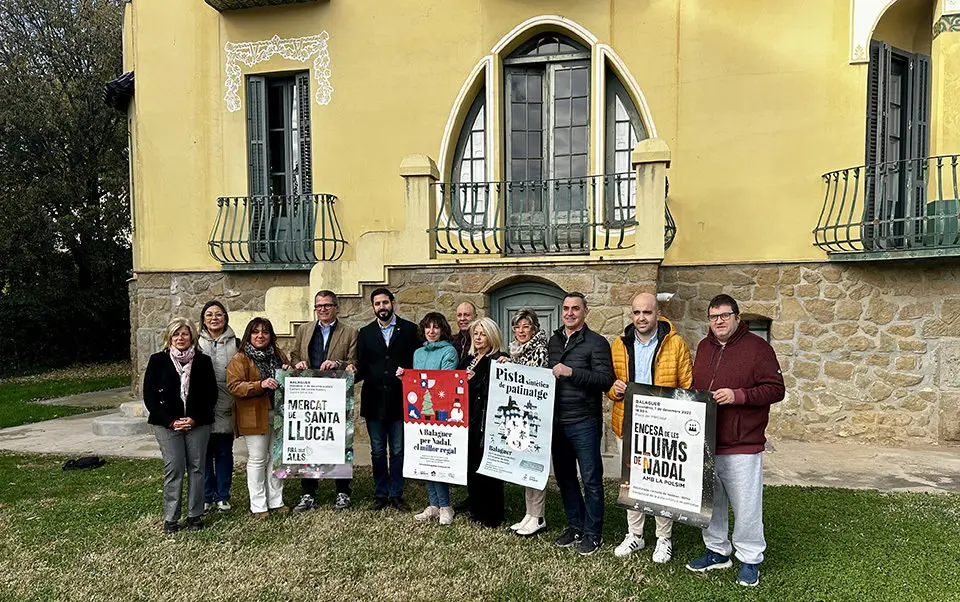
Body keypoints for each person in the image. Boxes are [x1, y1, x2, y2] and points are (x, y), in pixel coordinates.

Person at [685, 294, 785, 587]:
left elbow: (775, 389)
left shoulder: (758, 348)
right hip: (707, 439)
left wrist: (738, 395)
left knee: (746, 506)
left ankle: (750, 558)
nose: (719, 321)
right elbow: (697, 386)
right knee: (711, 502)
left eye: (725, 315)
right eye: (714, 316)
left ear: (737, 317)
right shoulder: (704, 347)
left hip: (743, 442)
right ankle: (717, 550)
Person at [608, 292, 693, 563]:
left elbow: (687, 387)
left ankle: (663, 538)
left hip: (664, 425)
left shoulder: (676, 344)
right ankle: (635, 534)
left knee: (661, 482)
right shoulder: (619, 344)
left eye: (646, 312)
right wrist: (614, 389)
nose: (641, 318)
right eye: (636, 313)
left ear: (657, 314)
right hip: (628, 421)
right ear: (631, 315)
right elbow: (608, 382)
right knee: (632, 482)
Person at [548, 291, 615, 556]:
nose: (570, 313)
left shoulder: (596, 343)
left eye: (575, 308)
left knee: (591, 479)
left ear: (585, 311)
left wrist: (571, 372)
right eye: (566, 308)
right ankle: (575, 526)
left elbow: (605, 380)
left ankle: (593, 533)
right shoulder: (554, 341)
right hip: (557, 421)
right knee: (565, 478)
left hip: (584, 422)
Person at [143, 317, 217, 534]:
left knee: (197, 468)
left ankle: (195, 515)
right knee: (174, 468)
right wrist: (171, 421)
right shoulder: (157, 360)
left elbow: (211, 394)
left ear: (192, 336)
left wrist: (194, 418)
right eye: (176, 334)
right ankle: (171, 518)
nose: (180, 338)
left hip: (198, 423)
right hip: (167, 425)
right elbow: (150, 397)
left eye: (185, 333)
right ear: (169, 337)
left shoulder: (203, 361)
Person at [289, 290, 359, 513]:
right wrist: (298, 364)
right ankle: (308, 493)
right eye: (319, 306)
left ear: (336, 307)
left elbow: (353, 362)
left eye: (327, 305)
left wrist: (337, 363)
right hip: (310, 393)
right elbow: (294, 355)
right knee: (309, 440)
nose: (323, 309)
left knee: (338, 442)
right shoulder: (304, 330)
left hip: (336, 394)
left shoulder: (349, 332)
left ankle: (342, 492)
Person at [355, 287, 420, 511]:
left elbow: (417, 363)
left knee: (399, 450)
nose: (382, 307)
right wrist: (339, 380)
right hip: (373, 401)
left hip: (400, 401)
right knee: (377, 450)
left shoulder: (410, 330)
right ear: (373, 307)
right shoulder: (364, 333)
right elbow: (360, 367)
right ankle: (381, 493)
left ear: (393, 303)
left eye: (385, 302)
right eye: (377, 304)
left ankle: (396, 493)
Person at [397, 312, 459, 525]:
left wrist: (419, 382)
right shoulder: (418, 352)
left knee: (438, 458)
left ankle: (445, 506)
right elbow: (416, 380)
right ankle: (433, 504)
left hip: (441, 410)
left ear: (442, 330)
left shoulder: (449, 351)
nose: (431, 331)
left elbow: (444, 380)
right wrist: (405, 377)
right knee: (424, 456)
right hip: (420, 411)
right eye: (428, 327)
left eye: (436, 327)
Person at [226, 317, 291, 517]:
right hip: (254, 415)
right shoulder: (240, 358)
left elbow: (289, 379)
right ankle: (258, 504)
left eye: (265, 332)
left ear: (271, 335)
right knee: (257, 459)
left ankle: (276, 500)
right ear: (249, 335)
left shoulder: (278, 354)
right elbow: (233, 386)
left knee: (277, 458)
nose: (260, 336)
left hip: (279, 413)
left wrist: (289, 372)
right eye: (255, 332)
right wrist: (259, 385)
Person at [497, 308, 550, 537]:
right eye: (517, 327)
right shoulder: (516, 350)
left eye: (525, 326)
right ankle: (529, 514)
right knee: (524, 465)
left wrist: (513, 367)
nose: (520, 331)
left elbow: (532, 377)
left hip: (535, 416)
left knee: (535, 464)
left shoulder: (539, 350)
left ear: (534, 329)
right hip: (519, 418)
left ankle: (538, 516)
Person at [459, 316, 507, 528]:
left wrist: (473, 381)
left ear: (492, 336)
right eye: (476, 334)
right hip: (468, 420)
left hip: (487, 422)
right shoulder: (469, 359)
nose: (478, 338)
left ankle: (492, 514)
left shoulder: (497, 359)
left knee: (488, 468)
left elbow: (494, 389)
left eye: (483, 333)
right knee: (472, 466)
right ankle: (476, 507)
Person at [197, 300, 239, 514]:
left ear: (225, 317)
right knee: (203, 454)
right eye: (209, 314)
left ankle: (223, 496)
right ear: (203, 319)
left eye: (219, 314)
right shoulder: (195, 342)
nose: (214, 318)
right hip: (201, 407)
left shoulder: (237, 343)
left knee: (223, 453)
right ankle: (206, 496)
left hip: (226, 404)